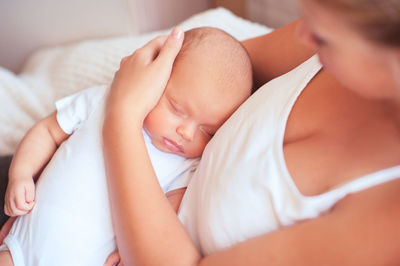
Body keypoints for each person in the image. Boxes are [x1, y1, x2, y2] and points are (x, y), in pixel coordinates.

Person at [101, 0, 400, 265]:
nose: (302, 35)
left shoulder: (387, 223)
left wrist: (122, 116)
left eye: (323, 37)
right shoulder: (335, 22)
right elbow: (219, 64)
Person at [0, 27, 253, 265]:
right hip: (21, 247)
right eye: (176, 108)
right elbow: (47, 131)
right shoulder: (103, 99)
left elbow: (166, 218)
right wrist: (21, 174)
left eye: (207, 131)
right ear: (153, 79)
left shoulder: (186, 165)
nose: (186, 133)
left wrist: (129, 247)